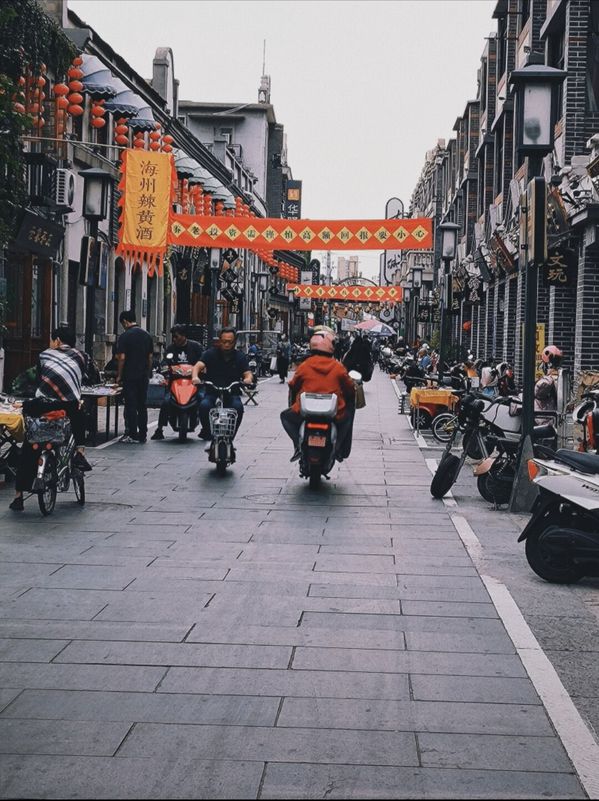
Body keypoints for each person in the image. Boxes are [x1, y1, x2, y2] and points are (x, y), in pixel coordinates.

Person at [9, 326, 92, 512]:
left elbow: (39, 379)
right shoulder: (81, 357)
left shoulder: (45, 355)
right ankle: (80, 453)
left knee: (30, 445)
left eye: (52, 340)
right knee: (78, 412)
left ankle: (18, 496)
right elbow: (84, 377)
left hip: (42, 406)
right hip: (67, 406)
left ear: (57, 340)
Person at [281, 333, 357, 462]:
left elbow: (293, 385)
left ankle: (298, 446)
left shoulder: (305, 366)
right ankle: (338, 448)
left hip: (305, 411)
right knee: (347, 417)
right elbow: (349, 388)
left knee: (285, 416)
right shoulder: (338, 367)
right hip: (333, 412)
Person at [191, 327, 254, 440]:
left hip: (232, 393)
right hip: (212, 393)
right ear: (220, 341)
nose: (226, 345)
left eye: (230, 342)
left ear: (234, 342)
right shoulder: (210, 353)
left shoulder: (240, 356)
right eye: (224, 341)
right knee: (204, 406)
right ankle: (208, 432)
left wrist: (248, 379)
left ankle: (231, 438)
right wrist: (195, 377)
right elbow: (198, 366)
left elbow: (247, 373)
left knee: (238, 408)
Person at [151, 324, 204, 440]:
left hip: (194, 382)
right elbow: (165, 361)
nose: (174, 339)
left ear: (184, 336)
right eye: (173, 337)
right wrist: (165, 368)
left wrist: (200, 370)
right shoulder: (171, 349)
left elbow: (203, 361)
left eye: (176, 336)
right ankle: (159, 429)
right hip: (175, 382)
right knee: (166, 402)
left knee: (203, 400)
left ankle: (206, 429)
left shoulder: (196, 347)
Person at [115, 310, 154, 443]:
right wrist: (148, 372)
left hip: (129, 375)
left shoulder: (124, 336)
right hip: (143, 376)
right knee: (142, 405)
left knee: (131, 405)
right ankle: (143, 434)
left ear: (125, 321)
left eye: (123, 324)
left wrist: (119, 375)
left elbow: (122, 358)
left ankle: (132, 434)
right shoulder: (147, 335)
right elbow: (150, 357)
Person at [535, 345, 562, 424]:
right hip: (555, 417)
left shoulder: (547, 381)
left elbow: (538, 393)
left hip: (545, 419)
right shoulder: (560, 377)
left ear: (548, 364)